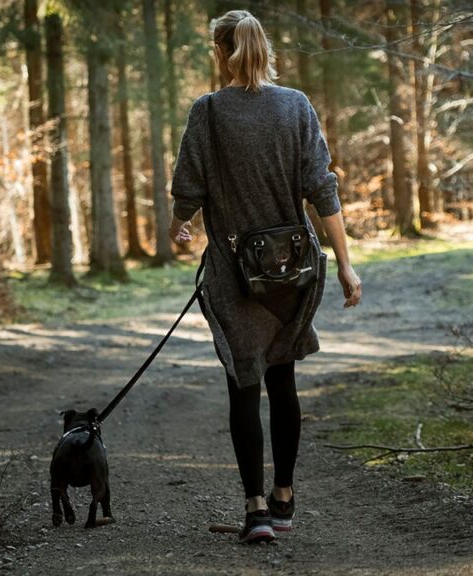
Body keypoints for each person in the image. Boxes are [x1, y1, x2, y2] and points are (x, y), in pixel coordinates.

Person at [168, 10, 362, 544]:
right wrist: (345, 262)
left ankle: (254, 509)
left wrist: (178, 229)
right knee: (283, 381)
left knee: (242, 385)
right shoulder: (296, 106)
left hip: (234, 272)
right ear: (263, 48)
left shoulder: (207, 113)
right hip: (294, 269)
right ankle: (284, 498)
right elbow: (322, 189)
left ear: (219, 51)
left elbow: (188, 189)